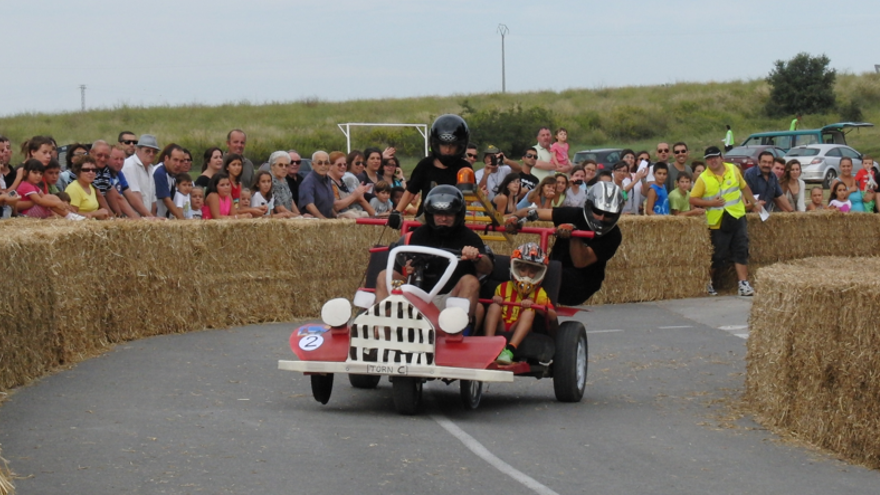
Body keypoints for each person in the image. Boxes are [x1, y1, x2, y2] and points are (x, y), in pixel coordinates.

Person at [375, 185, 494, 325]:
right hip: (416, 294)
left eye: (449, 214)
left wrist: (476, 257)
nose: (443, 218)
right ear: (430, 214)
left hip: (450, 299)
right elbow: (401, 267)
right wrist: (408, 268)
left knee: (470, 281)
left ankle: (456, 331)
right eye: (438, 214)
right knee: (384, 275)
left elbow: (488, 268)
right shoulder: (417, 235)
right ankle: (381, 328)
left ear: (458, 214)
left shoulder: (469, 238)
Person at [507, 181, 625, 306]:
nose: (601, 218)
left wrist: (574, 235)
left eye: (609, 215)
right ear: (589, 206)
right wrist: (514, 218)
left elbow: (580, 262)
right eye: (597, 211)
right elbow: (533, 212)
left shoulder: (613, 235)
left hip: (581, 283)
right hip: (554, 268)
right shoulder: (574, 214)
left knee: (541, 273)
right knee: (513, 267)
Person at [689, 146, 758, 297]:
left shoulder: (733, 169)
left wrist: (755, 203)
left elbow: (744, 187)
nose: (712, 160)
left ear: (721, 157)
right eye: (709, 158)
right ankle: (708, 282)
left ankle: (743, 283)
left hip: (737, 215)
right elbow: (693, 198)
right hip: (718, 220)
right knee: (718, 254)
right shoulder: (703, 178)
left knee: (741, 248)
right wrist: (710, 204)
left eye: (715, 157)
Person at [388, 114, 472, 227]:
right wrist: (397, 212)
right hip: (425, 222)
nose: (447, 150)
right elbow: (411, 191)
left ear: (460, 146)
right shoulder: (425, 165)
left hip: (453, 223)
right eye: (443, 145)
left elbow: (468, 199)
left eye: (452, 146)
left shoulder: (464, 169)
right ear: (435, 144)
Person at [484, 242, 556, 365]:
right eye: (522, 270)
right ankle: (488, 345)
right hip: (501, 325)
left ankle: (510, 350)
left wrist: (535, 305)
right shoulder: (502, 287)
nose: (526, 275)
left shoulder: (540, 293)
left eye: (532, 272)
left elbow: (553, 316)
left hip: (519, 328)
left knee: (528, 312)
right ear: (514, 268)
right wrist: (496, 300)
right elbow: (494, 309)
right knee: (494, 306)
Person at [16, 159, 81, 219]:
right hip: (26, 213)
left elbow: (44, 196)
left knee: (51, 197)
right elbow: (39, 201)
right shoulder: (26, 185)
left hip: (32, 210)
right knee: (49, 199)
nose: (38, 176)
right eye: (35, 172)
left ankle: (72, 215)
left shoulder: (33, 185)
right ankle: (70, 216)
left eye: (40, 173)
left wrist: (59, 203)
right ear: (25, 173)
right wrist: (56, 204)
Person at [121, 134, 160, 217]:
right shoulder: (130, 166)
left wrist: (153, 219)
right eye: (147, 151)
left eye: (154, 152)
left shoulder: (151, 168)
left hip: (145, 217)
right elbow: (135, 196)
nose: (151, 154)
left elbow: (153, 200)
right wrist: (150, 217)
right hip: (133, 218)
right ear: (138, 150)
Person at [329, 150, 372, 218]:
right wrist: (356, 193)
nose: (343, 167)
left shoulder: (341, 180)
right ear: (330, 166)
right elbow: (337, 206)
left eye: (345, 164)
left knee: (364, 215)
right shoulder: (330, 182)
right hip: (337, 217)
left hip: (348, 213)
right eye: (339, 165)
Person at [299, 151, 336, 219]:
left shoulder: (327, 179)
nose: (323, 166)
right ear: (313, 165)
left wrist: (336, 216)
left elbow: (328, 203)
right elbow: (309, 205)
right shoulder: (308, 182)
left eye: (326, 163)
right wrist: (324, 220)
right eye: (320, 163)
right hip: (314, 223)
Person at [154, 144, 187, 219]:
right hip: (156, 219)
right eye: (175, 160)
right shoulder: (160, 173)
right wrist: (183, 220)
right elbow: (167, 200)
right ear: (166, 158)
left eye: (181, 161)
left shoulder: (172, 174)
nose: (178, 164)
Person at [268, 151, 301, 218]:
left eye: (286, 165)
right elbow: (280, 208)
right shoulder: (270, 181)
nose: (284, 168)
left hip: (288, 217)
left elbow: (290, 200)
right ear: (272, 166)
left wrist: (298, 214)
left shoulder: (283, 179)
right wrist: (298, 217)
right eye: (280, 165)